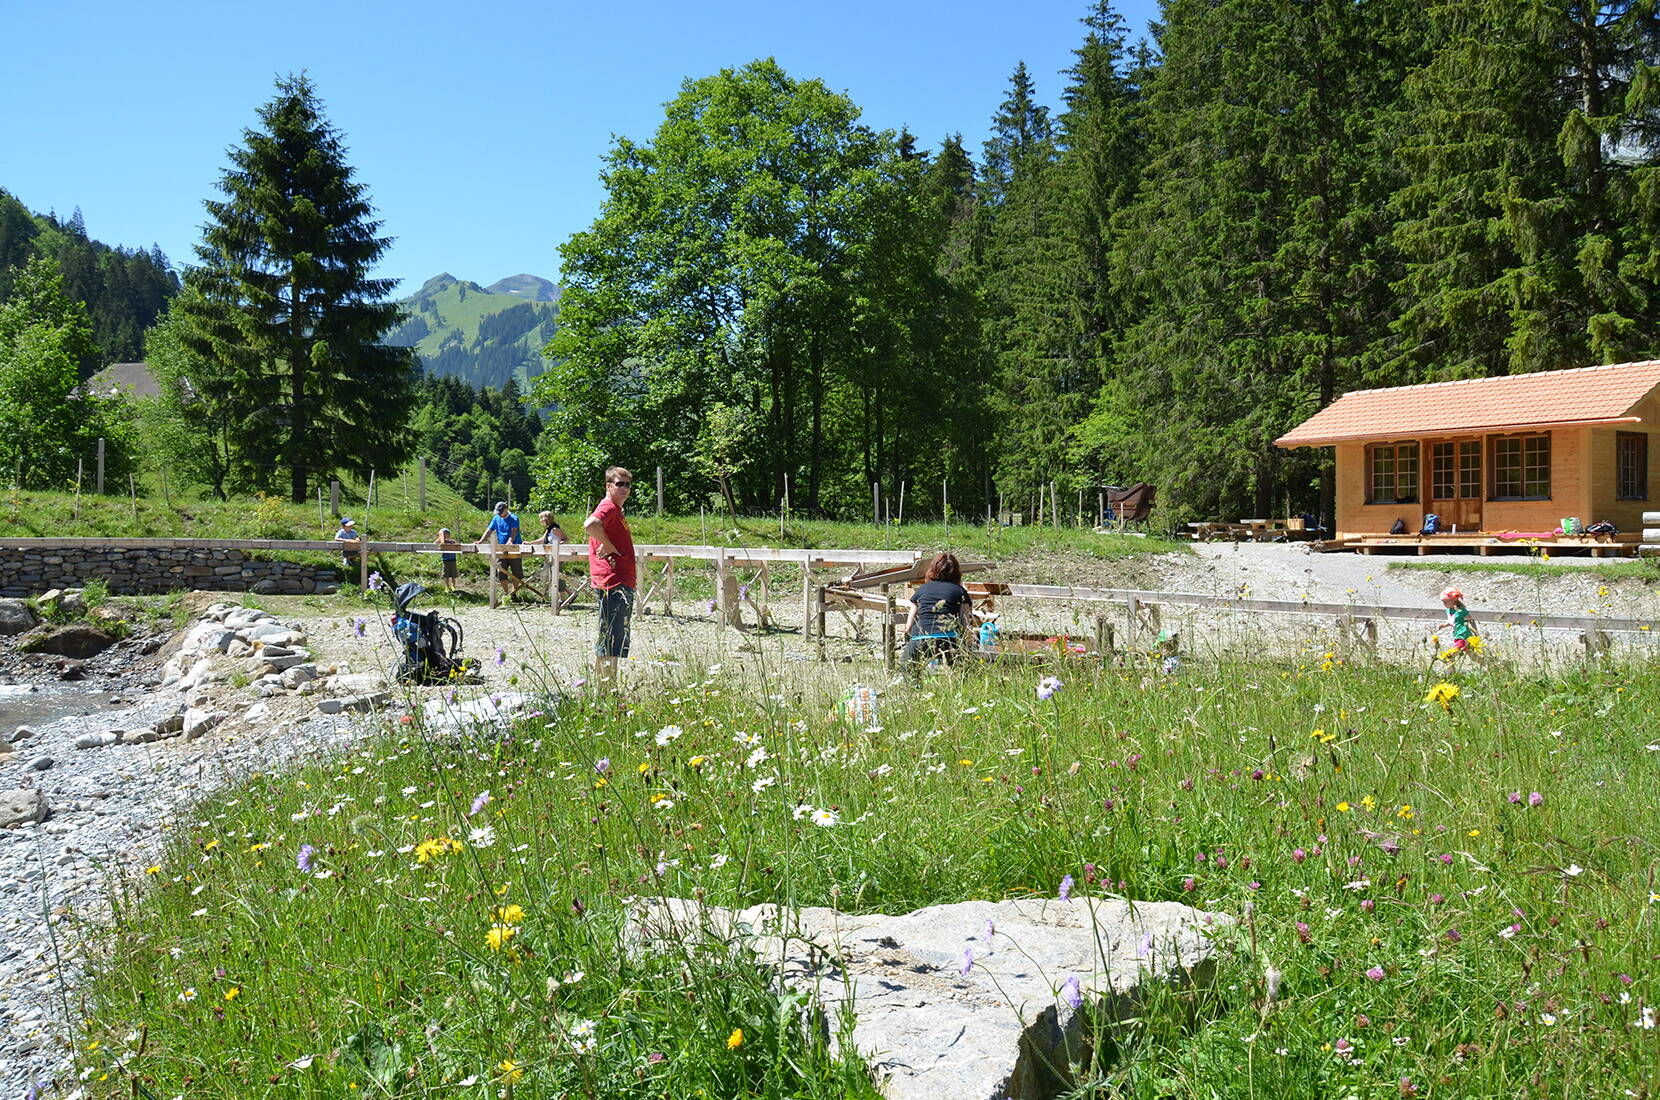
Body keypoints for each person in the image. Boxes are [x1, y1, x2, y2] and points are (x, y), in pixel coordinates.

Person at [583, 467, 636, 693]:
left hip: (618, 580)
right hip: (613, 582)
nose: (624, 488)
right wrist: (610, 545)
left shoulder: (616, 510)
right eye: (619, 484)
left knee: (613, 639)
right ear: (608, 486)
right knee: (609, 639)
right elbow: (590, 524)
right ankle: (605, 691)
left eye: (627, 485)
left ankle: (607, 688)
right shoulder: (608, 507)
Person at [901, 551, 972, 671]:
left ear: (933, 569)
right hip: (949, 639)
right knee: (963, 672)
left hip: (921, 638)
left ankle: (915, 687)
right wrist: (967, 644)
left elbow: (909, 624)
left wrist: (909, 637)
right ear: (956, 573)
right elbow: (965, 623)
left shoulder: (922, 589)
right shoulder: (960, 591)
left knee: (907, 667)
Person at [477, 501, 524, 600]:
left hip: (514, 548)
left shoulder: (514, 518)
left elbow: (514, 531)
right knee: (501, 572)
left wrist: (510, 541)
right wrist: (481, 541)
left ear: (506, 510)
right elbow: (489, 530)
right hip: (501, 549)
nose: (499, 515)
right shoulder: (496, 518)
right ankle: (506, 593)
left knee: (516, 573)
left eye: (501, 512)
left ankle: (513, 594)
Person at [1436, 587, 1482, 660]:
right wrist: (1444, 625)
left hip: (1463, 635)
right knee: (1472, 656)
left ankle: (1450, 669)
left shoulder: (1461, 611)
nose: (1444, 604)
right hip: (1456, 635)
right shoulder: (1449, 610)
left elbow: (1470, 620)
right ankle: (1488, 664)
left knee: (1451, 654)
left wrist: (1476, 632)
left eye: (1445, 602)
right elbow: (1453, 621)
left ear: (1453, 601)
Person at [435, 528, 459, 592]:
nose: (444, 536)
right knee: (446, 575)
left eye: (445, 534)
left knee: (453, 575)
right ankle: (447, 586)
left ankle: (453, 586)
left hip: (453, 560)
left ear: (448, 535)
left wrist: (449, 541)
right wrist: (439, 540)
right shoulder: (440, 542)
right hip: (445, 560)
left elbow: (455, 544)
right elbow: (435, 544)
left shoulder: (451, 541)